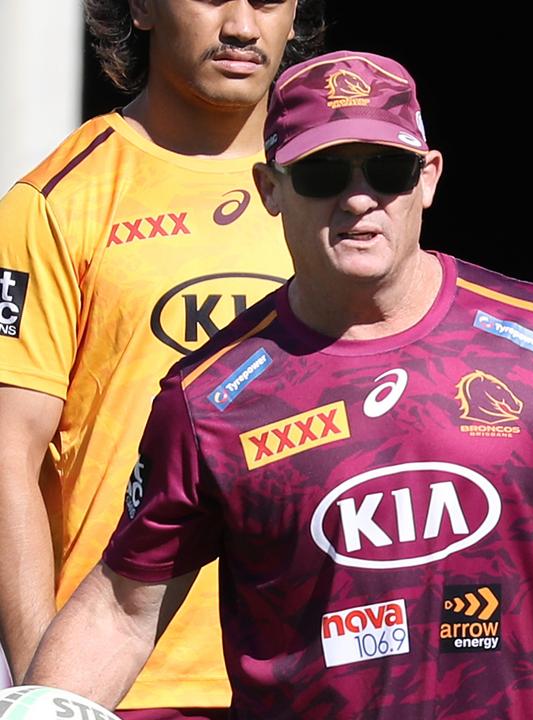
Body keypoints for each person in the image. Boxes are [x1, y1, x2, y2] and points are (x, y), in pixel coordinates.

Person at [27, 50, 533, 720]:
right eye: (323, 172)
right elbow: (121, 607)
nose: (359, 199)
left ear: (428, 178)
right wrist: (41, 709)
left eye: (387, 169)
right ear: (270, 188)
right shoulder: (208, 399)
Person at [0, 0, 324, 716]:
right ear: (141, 6)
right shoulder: (54, 201)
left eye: (269, 0)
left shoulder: (346, 193)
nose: (243, 26)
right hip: (132, 687)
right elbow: (6, 455)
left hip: (324, 678)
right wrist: (52, 695)